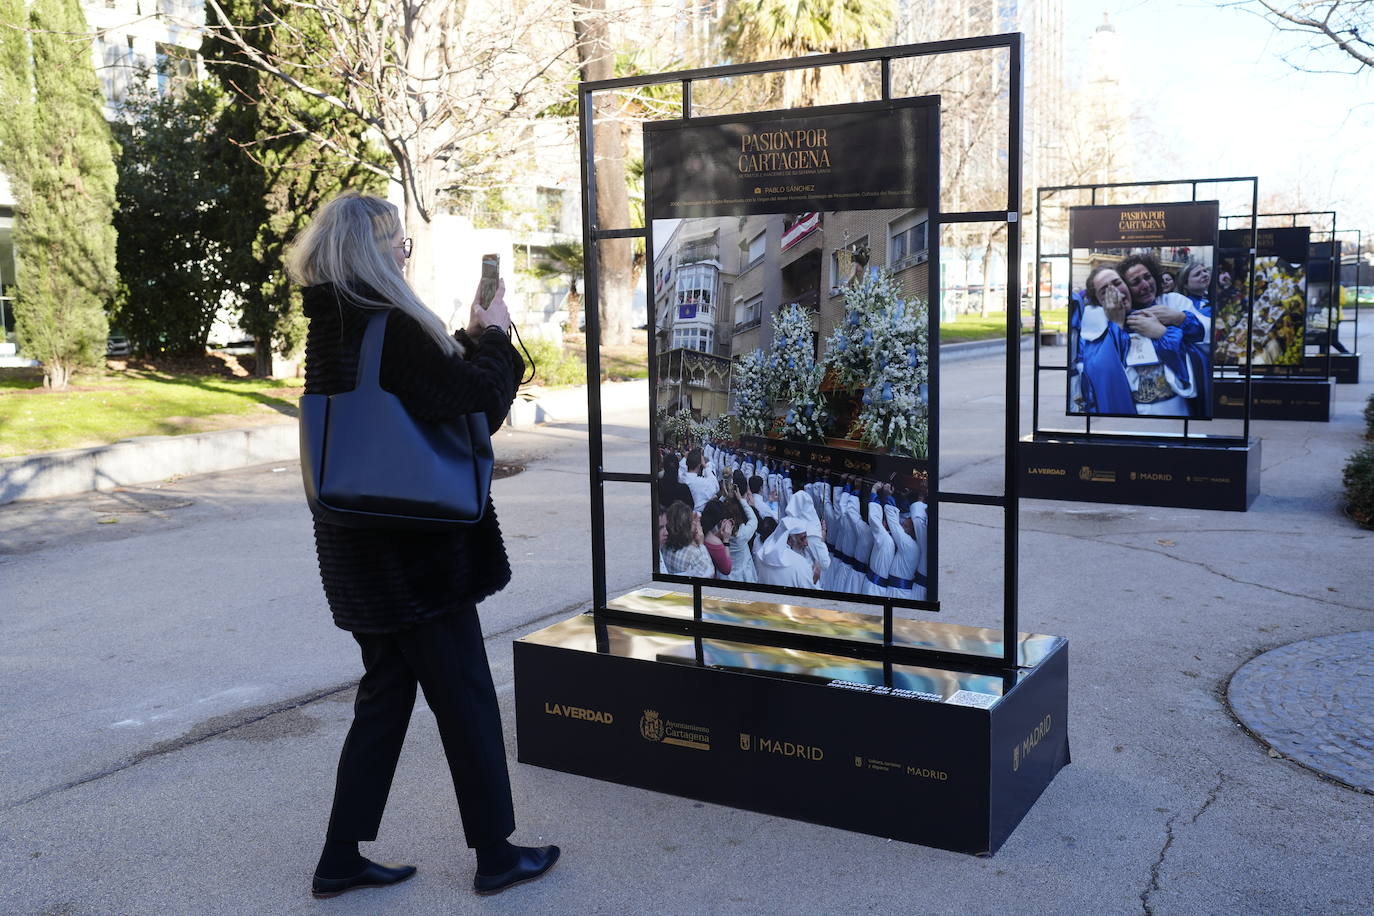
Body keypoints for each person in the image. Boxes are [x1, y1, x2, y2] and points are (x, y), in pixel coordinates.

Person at [288, 191, 557, 899]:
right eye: (399, 242)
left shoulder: (331, 328)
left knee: (384, 698)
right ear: (376, 251)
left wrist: (468, 340)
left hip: (357, 552)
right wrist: (495, 337)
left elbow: (427, 396)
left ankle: (340, 858)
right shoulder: (391, 327)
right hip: (416, 555)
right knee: (465, 694)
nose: (406, 252)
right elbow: (476, 404)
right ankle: (497, 856)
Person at [661, 500, 713, 577]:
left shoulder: (662, 544)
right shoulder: (694, 553)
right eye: (692, 521)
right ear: (686, 526)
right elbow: (709, 572)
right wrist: (701, 544)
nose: (695, 523)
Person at [699, 499, 735, 578]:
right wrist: (726, 540)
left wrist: (718, 534)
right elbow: (726, 569)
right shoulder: (715, 543)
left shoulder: (698, 527)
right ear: (719, 521)